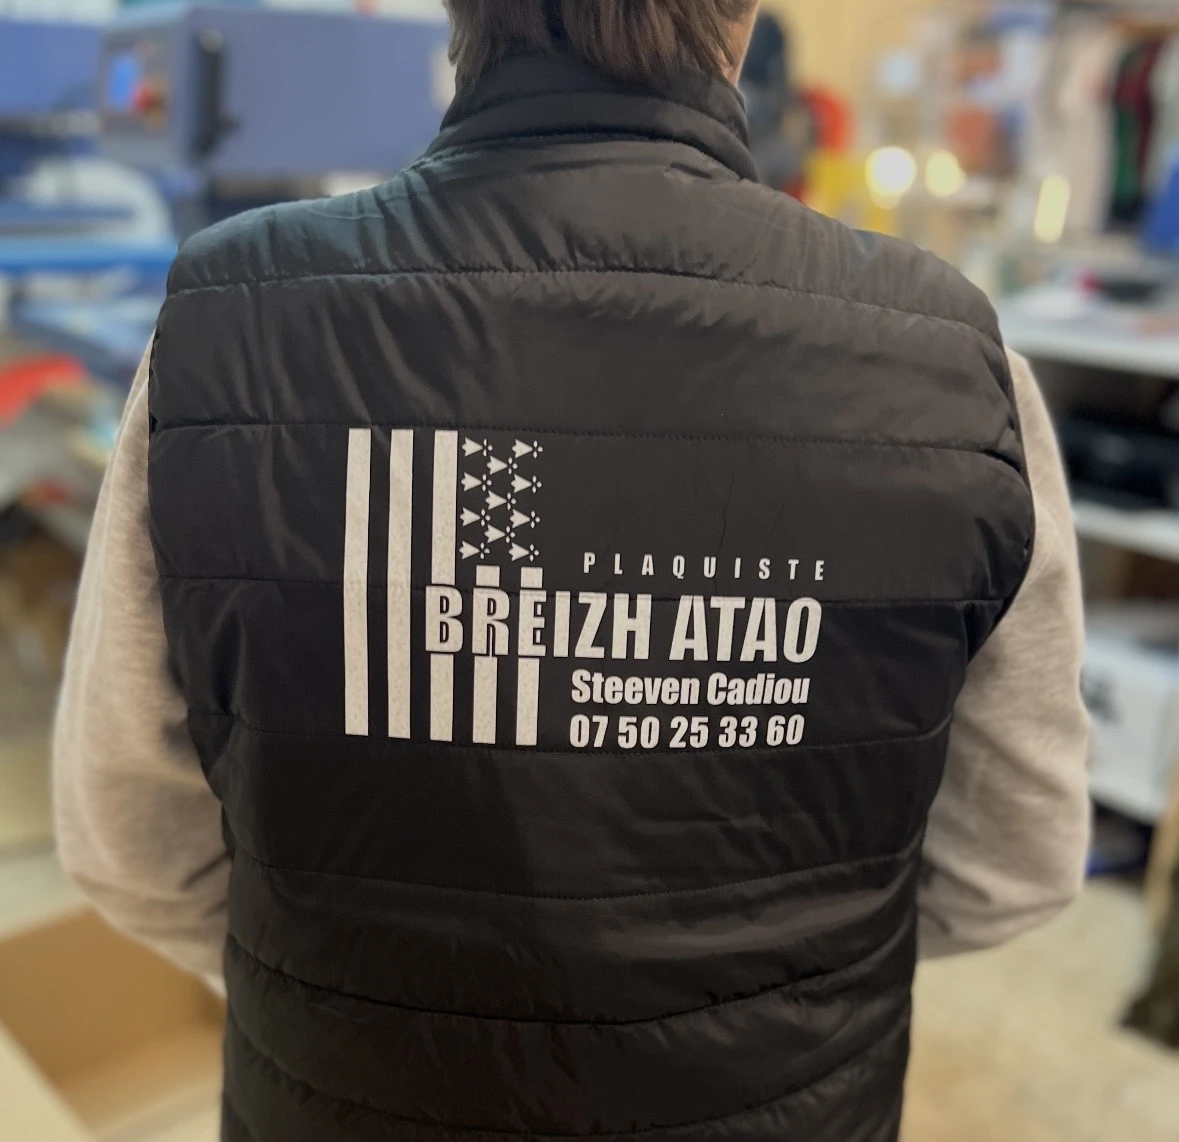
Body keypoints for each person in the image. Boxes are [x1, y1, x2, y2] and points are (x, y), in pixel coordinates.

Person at [53, 2, 1090, 1139]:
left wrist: (329, 968)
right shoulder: (955, 372)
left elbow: (130, 848)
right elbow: (1014, 864)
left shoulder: (225, 330)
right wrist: (804, 959)